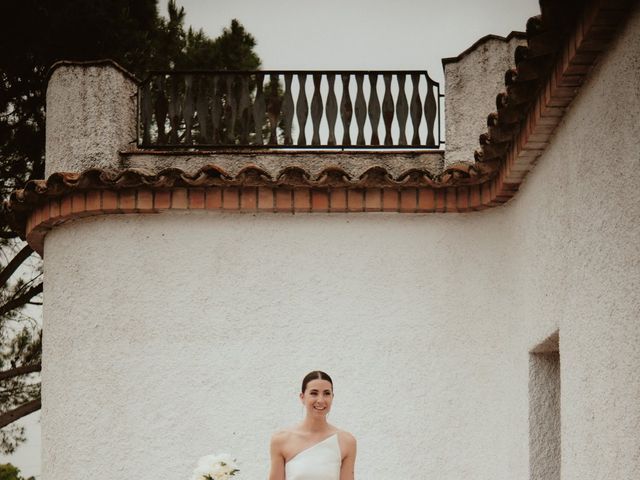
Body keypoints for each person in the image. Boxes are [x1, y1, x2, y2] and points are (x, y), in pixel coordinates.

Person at [268, 371, 357, 480]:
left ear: (332, 397)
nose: (320, 400)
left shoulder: (346, 441)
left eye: (326, 393)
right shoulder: (281, 440)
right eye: (314, 393)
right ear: (302, 397)